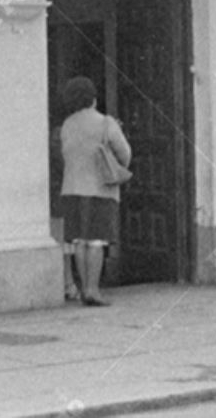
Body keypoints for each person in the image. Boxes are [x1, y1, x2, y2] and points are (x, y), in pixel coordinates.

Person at [58, 75, 130, 307]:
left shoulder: (67, 124)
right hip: (100, 189)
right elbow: (125, 154)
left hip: (71, 189)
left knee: (79, 241)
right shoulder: (105, 123)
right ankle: (93, 289)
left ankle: (82, 288)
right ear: (93, 98)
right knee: (97, 241)